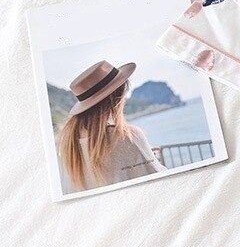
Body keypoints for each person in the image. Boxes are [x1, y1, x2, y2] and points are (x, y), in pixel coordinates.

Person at [57, 59, 165, 193]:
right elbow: (160, 180)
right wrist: (149, 157)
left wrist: (140, 154)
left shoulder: (66, 145)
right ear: (117, 98)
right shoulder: (128, 136)